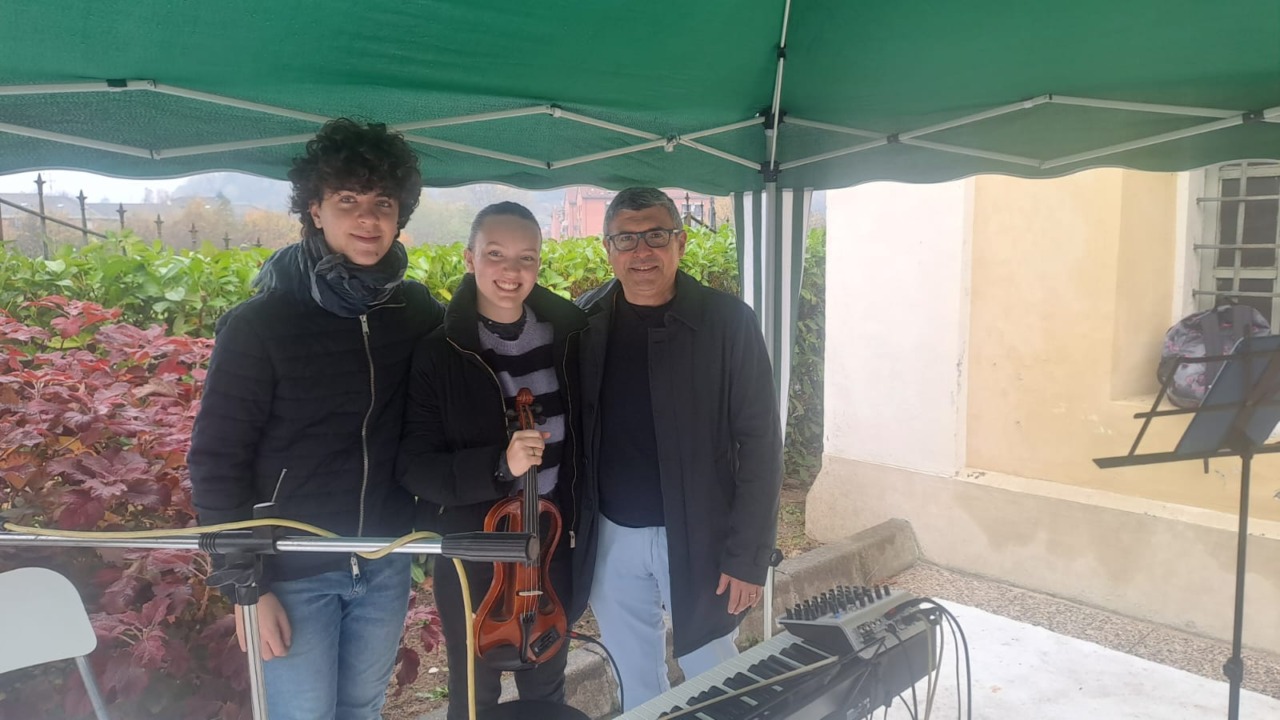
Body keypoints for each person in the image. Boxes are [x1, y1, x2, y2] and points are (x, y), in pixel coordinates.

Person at [188, 118, 444, 720]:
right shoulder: (261, 324)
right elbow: (216, 459)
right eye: (347, 200)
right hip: (291, 573)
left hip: (382, 562)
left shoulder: (413, 311)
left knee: (361, 709)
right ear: (315, 209)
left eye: (383, 203)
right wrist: (247, 588)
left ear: (400, 214)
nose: (368, 219)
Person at [573, 187, 783, 710]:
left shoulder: (728, 322)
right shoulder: (583, 322)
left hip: (702, 534)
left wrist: (748, 555)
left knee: (716, 676)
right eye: (626, 238)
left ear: (681, 242)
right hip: (610, 536)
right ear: (607, 248)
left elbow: (760, 444)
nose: (642, 252)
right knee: (634, 678)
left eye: (656, 236)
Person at [399, 202, 587, 720]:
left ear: (540, 264)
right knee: (474, 698)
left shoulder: (567, 340)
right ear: (469, 258)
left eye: (526, 258)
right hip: (473, 555)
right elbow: (415, 466)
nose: (511, 271)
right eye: (496, 255)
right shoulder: (439, 353)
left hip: (549, 548)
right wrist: (499, 466)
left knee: (547, 687)